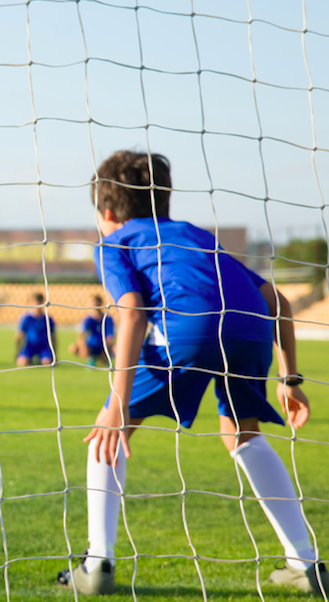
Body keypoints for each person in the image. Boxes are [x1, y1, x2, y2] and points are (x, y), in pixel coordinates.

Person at [58, 150, 324, 596]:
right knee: (243, 435)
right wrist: (290, 379)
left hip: (191, 329)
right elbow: (279, 301)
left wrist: (116, 405)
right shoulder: (196, 236)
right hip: (250, 327)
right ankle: (306, 562)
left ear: (106, 212)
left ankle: (97, 560)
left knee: (109, 429)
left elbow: (131, 310)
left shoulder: (114, 242)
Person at [68, 294, 115, 367]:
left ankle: (106, 359)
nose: (92, 304)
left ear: (100, 303)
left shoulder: (107, 318)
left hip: (103, 346)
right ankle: (90, 358)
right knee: (73, 347)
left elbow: (110, 337)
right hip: (91, 346)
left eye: (94, 302)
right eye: (91, 302)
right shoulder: (87, 319)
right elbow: (81, 336)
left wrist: (105, 350)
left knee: (116, 348)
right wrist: (83, 348)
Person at [16, 293, 56, 366]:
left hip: (43, 346)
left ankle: (42, 358)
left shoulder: (47, 318)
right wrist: (17, 352)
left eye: (38, 303)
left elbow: (53, 336)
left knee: (47, 363)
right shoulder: (26, 318)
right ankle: (29, 358)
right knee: (22, 363)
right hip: (29, 346)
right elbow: (19, 335)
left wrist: (55, 353)